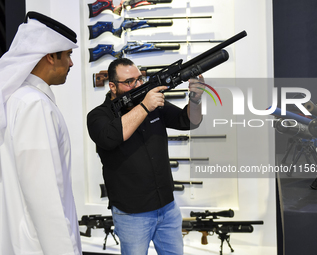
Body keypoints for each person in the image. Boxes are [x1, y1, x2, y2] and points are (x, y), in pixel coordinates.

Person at [87, 57, 204, 254]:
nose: (137, 85)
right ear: (113, 87)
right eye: (129, 82)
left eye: (139, 79)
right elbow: (110, 138)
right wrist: (144, 107)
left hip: (167, 208)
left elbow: (188, 121)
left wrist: (196, 98)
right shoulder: (98, 116)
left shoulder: (151, 104)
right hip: (132, 214)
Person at [0, 11, 82, 255]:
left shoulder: (17, 100)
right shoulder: (33, 105)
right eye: (67, 55)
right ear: (50, 57)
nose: (71, 63)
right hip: (39, 246)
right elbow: (46, 198)